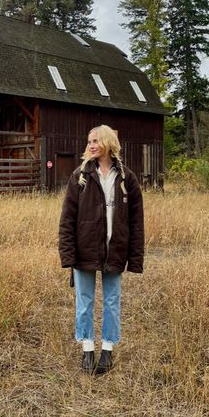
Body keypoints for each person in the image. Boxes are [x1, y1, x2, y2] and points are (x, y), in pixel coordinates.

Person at [58, 125, 144, 375]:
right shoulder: (80, 177)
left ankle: (107, 350)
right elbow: (67, 219)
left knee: (111, 301)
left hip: (115, 251)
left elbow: (136, 223)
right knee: (84, 302)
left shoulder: (127, 178)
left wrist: (135, 258)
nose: (91, 145)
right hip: (84, 250)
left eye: (96, 140)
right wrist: (68, 255)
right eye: (89, 141)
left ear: (108, 142)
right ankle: (87, 349)